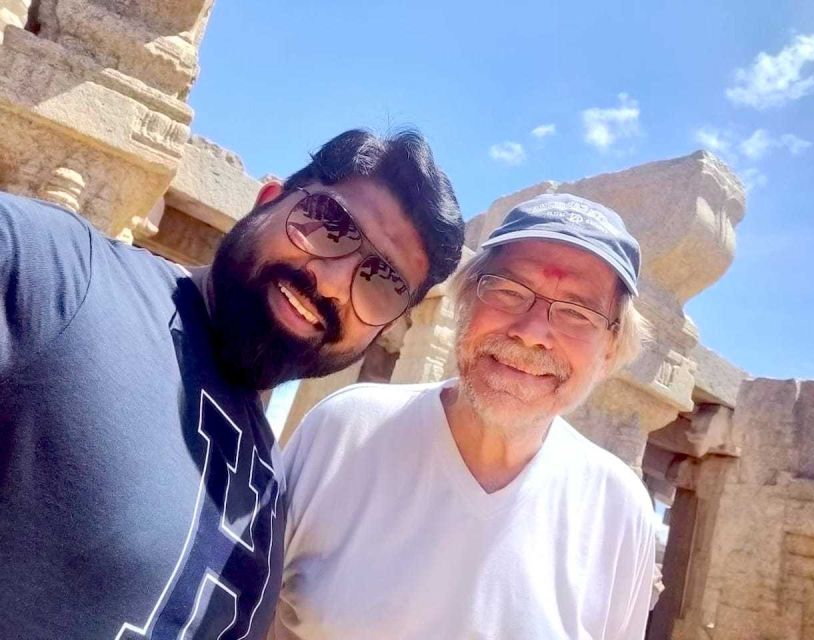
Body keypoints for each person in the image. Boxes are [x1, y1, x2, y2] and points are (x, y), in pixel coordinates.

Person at [0, 129, 464, 639]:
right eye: (330, 225)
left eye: (382, 283)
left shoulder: (270, 480)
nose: (334, 283)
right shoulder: (57, 275)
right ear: (266, 201)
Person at [274, 193, 656, 640]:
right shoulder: (345, 430)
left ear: (609, 350)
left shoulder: (620, 511)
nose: (532, 334)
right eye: (509, 292)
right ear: (465, 302)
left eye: (576, 313)